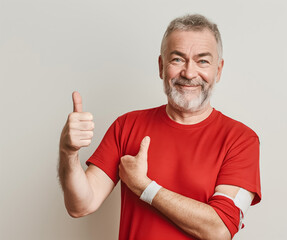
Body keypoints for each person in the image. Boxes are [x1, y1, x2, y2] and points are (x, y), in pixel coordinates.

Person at [58, 14, 261, 240]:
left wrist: (145, 187)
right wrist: (68, 152)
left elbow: (219, 229)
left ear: (219, 70)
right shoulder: (127, 126)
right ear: (161, 66)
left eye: (202, 61)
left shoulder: (241, 139)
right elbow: (81, 205)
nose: (189, 73)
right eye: (177, 59)